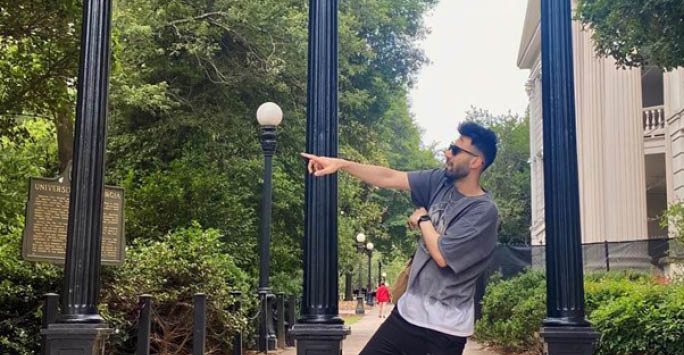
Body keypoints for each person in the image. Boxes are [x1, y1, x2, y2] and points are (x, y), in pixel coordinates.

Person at [301, 121, 499, 355]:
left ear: (476, 161)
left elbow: (442, 255)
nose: (447, 153)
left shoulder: (484, 211)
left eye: (455, 150)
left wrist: (424, 219)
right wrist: (341, 164)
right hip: (406, 315)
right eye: (449, 146)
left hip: (444, 330)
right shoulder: (439, 182)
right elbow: (389, 177)